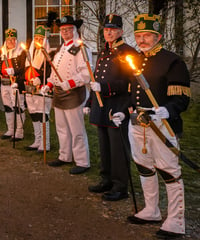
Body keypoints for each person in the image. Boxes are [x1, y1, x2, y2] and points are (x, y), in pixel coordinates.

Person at [125, 14, 190, 239]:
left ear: (158, 36)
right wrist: (125, 110)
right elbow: (132, 94)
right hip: (138, 124)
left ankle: (176, 220)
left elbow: (181, 99)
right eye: (138, 36)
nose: (142, 40)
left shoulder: (173, 61)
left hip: (162, 125)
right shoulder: (135, 59)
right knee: (144, 167)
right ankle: (151, 210)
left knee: (169, 170)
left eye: (147, 36)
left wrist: (168, 110)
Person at [85, 14, 138, 201]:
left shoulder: (128, 52)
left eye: (113, 29)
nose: (109, 32)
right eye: (106, 29)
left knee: (118, 148)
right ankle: (106, 179)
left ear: (121, 31)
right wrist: (90, 101)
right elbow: (97, 79)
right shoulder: (105, 50)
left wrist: (105, 88)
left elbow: (129, 83)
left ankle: (120, 186)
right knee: (104, 146)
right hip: (102, 105)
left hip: (117, 106)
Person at [40, 16, 91, 174]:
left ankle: (82, 161)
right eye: (63, 30)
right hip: (58, 93)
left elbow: (87, 74)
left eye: (69, 29)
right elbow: (55, 72)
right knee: (61, 128)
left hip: (73, 93)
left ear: (75, 30)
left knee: (77, 130)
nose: (65, 32)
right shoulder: (60, 49)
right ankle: (65, 156)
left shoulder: (81, 48)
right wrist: (49, 84)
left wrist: (70, 82)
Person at [0, 28, 26, 141]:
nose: (11, 42)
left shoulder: (21, 52)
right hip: (4, 84)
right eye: (8, 40)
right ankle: (10, 129)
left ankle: (19, 132)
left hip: (15, 84)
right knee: (8, 107)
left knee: (18, 107)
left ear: (16, 40)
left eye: (13, 40)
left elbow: (23, 69)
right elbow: (0, 69)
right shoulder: (3, 54)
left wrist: (14, 72)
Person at [23, 25, 52, 152]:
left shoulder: (49, 54)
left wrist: (41, 80)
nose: (38, 41)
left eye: (40, 38)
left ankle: (46, 143)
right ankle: (37, 140)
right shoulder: (31, 52)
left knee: (42, 115)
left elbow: (51, 73)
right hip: (30, 89)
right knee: (34, 114)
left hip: (42, 89)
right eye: (36, 38)